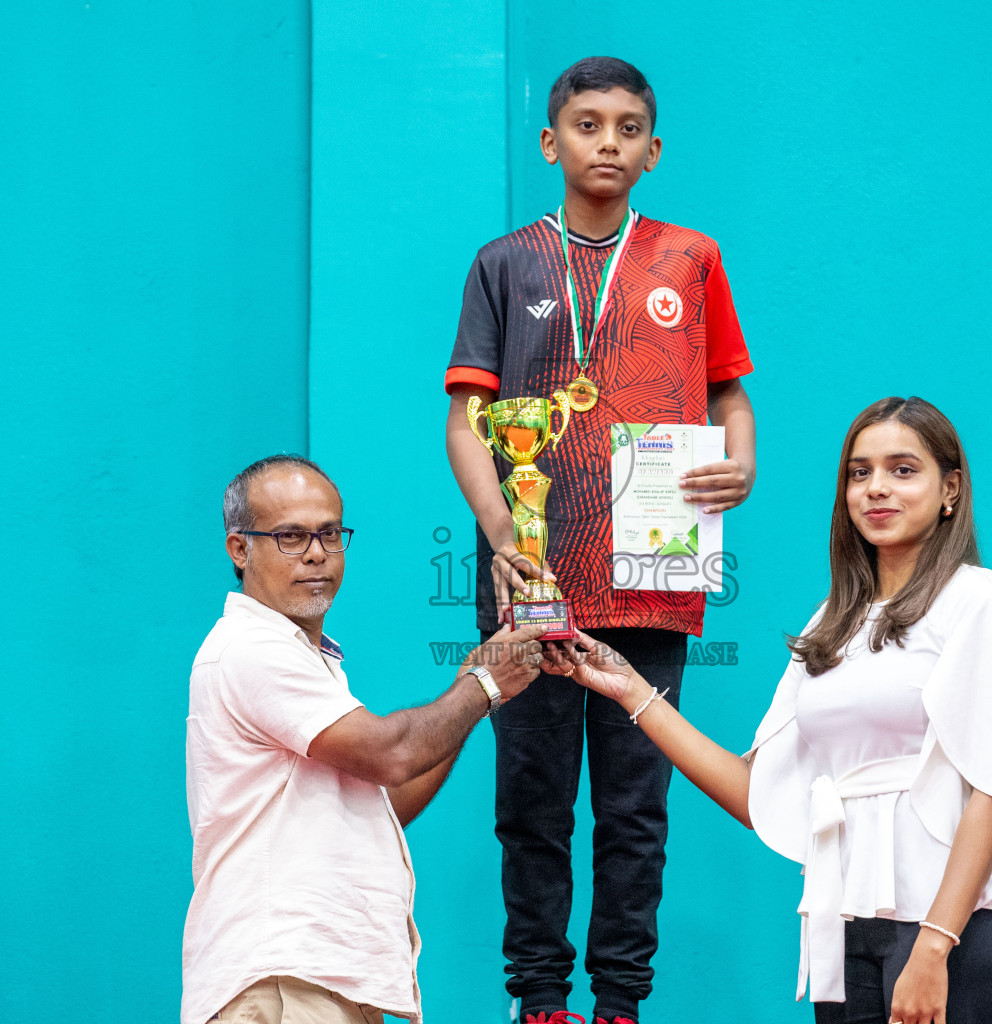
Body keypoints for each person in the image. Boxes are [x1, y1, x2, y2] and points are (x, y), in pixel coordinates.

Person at [553, 398, 992, 1024]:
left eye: (903, 470)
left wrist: (935, 944)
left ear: (950, 489)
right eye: (859, 472)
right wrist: (630, 689)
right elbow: (757, 793)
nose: (876, 488)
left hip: (956, 927)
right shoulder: (831, 623)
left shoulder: (978, 601)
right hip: (843, 925)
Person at [443, 56, 757, 1024]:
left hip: (653, 575)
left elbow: (728, 390)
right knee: (530, 800)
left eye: (628, 128)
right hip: (532, 574)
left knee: (635, 807)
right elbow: (466, 417)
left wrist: (742, 465)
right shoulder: (505, 263)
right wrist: (501, 529)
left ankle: (620, 1001)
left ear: (653, 151)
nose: (607, 142)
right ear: (552, 143)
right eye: (587, 125)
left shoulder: (691, 258)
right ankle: (541, 998)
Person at [181, 455, 549, 1024]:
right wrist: (484, 685)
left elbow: (383, 804)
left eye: (330, 533)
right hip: (282, 977)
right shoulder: (252, 648)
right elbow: (392, 754)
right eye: (290, 536)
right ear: (238, 548)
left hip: (322, 980)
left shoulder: (303, 659)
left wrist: (474, 683)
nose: (316, 553)